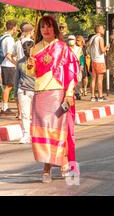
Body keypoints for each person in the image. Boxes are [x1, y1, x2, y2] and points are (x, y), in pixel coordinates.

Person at [27, 15, 80, 183]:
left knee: (59, 132)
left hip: (58, 94)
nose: (45, 29)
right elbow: (32, 73)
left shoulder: (62, 47)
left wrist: (69, 93)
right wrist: (29, 65)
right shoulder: (34, 49)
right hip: (40, 94)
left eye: (49, 26)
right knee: (42, 132)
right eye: (42, 26)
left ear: (55, 29)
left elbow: (72, 73)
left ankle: (63, 164)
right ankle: (47, 167)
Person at [14, 40, 35, 144]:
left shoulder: (39, 60)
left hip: (37, 91)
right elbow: (16, 78)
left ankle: (37, 134)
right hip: (23, 91)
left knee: (38, 114)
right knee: (25, 114)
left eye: (28, 49)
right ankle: (26, 135)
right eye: (24, 49)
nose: (26, 51)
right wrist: (15, 93)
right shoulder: (20, 62)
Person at [87, 25, 109, 102]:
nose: (104, 29)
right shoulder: (100, 38)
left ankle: (92, 96)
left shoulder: (92, 39)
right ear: (99, 30)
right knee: (100, 79)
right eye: (103, 28)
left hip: (93, 61)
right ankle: (100, 96)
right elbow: (102, 50)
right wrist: (106, 47)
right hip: (99, 61)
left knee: (93, 79)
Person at [1, 20, 18, 115]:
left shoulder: (3, 37)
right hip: (8, 65)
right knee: (8, 86)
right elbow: (8, 55)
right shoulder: (10, 39)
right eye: (16, 27)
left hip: (4, 65)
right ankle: (5, 108)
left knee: (6, 86)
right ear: (14, 27)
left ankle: (4, 107)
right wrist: (16, 63)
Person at [68, 35, 84, 100]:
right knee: (70, 80)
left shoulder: (79, 49)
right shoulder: (66, 48)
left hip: (77, 66)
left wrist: (82, 65)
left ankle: (77, 93)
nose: (71, 41)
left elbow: (81, 57)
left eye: (72, 39)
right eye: (69, 39)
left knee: (78, 80)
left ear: (75, 40)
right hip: (69, 66)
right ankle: (71, 93)